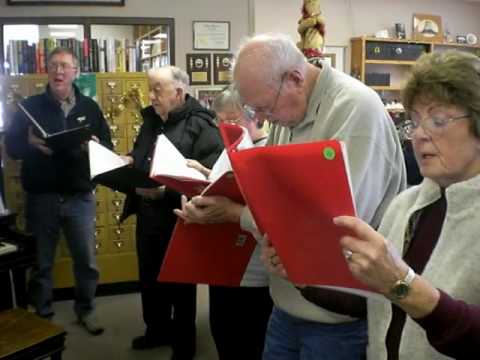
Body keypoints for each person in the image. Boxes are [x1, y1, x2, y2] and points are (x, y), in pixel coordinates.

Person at [175, 33, 406, 359]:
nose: (263, 120)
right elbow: (274, 197)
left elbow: (333, 226)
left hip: (335, 316)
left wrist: (235, 214)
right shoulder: (288, 112)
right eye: (255, 110)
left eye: (265, 108)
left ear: (296, 78)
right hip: (287, 303)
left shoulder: (356, 110)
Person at [332, 50, 480, 359]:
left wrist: (404, 285)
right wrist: (305, 278)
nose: (419, 134)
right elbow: (378, 305)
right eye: (414, 120)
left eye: (438, 120)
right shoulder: (405, 206)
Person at [5, 47, 112, 335]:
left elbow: (108, 149)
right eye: (53, 66)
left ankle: (86, 310)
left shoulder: (90, 107)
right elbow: (12, 148)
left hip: (79, 197)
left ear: (75, 71)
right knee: (42, 262)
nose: (58, 71)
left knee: (86, 261)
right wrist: (30, 144)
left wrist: (91, 148)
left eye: (64, 65)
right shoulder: (29, 106)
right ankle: (42, 314)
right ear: (47, 72)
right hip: (42, 198)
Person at [120, 65, 223, 360]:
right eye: (149, 88)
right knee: (150, 278)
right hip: (147, 213)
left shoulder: (201, 125)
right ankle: (156, 331)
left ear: (178, 93)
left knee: (180, 283)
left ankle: (183, 344)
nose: (150, 95)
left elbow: (211, 178)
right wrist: (126, 160)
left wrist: (166, 192)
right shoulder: (151, 120)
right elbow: (142, 154)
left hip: (179, 217)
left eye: (156, 90)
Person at [185, 86, 273, 360]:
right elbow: (225, 181)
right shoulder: (232, 146)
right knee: (222, 333)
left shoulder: (268, 150)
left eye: (233, 120)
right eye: (221, 121)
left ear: (254, 115)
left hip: (252, 270)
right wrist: (204, 175)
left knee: (247, 341)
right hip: (221, 262)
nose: (226, 127)